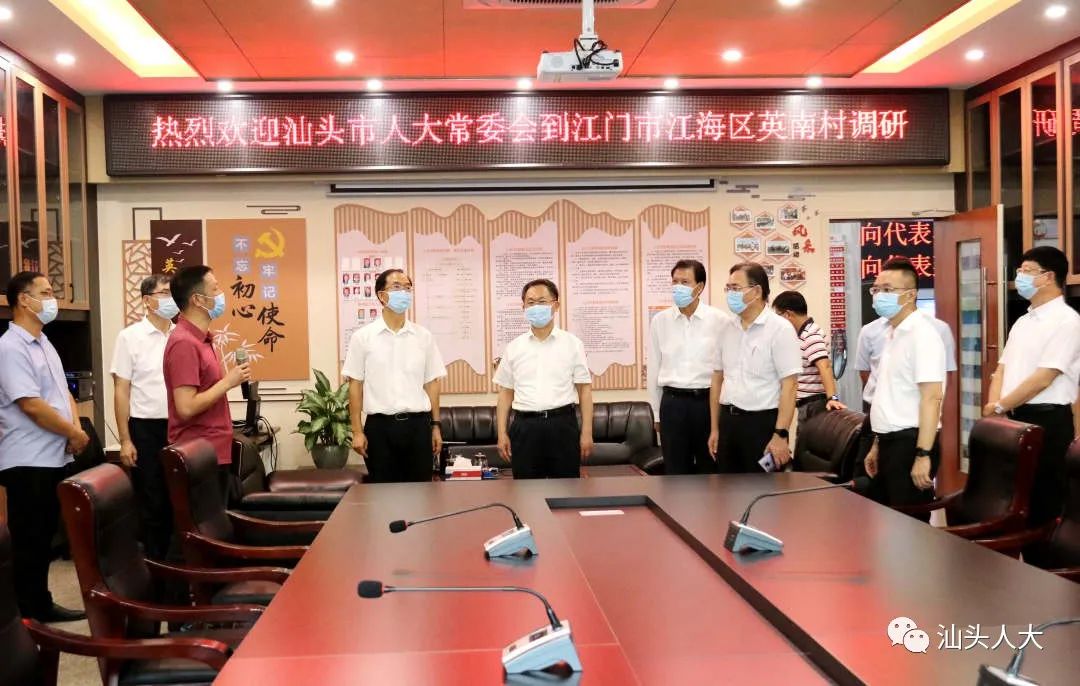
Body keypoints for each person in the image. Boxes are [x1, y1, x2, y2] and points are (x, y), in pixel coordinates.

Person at [0, 272, 88, 622]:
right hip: (27, 458)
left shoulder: (44, 342)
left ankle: (40, 602)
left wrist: (75, 429)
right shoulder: (10, 347)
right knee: (29, 539)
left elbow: (63, 392)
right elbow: (31, 404)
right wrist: (73, 433)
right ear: (24, 300)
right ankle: (28, 613)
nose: (53, 299)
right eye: (47, 292)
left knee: (44, 536)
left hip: (52, 455)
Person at [984, 246, 1080, 526]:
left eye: (1027, 271)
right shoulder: (1023, 321)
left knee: (1044, 502)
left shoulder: (1067, 321)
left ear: (1048, 277)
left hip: (1047, 420)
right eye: (1020, 271)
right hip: (1013, 418)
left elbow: (1044, 377)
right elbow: (1002, 368)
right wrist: (995, 408)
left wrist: (1000, 406)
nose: (1020, 277)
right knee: (1013, 499)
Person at [344, 269, 447, 483]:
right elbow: (355, 386)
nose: (404, 293)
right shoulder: (362, 338)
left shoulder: (423, 337)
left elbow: (432, 383)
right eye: (397, 287)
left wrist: (435, 426)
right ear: (382, 296)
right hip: (380, 428)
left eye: (408, 288)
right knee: (383, 493)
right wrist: (357, 431)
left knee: (421, 492)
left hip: (418, 426)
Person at [863, 259, 946, 516]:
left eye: (887, 290)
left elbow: (932, 398)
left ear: (910, 295)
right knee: (887, 522)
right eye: (876, 289)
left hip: (911, 444)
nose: (879, 295)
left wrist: (923, 454)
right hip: (889, 441)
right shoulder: (893, 332)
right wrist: (877, 444)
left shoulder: (922, 335)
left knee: (909, 525)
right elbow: (890, 396)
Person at [163, 265, 249, 500]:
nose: (221, 294)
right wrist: (228, 382)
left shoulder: (202, 339)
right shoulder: (184, 343)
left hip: (213, 451)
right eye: (215, 289)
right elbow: (186, 407)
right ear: (198, 300)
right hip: (198, 455)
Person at [495, 279, 593, 479]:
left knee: (567, 490)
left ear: (556, 305)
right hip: (525, 427)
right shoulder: (514, 347)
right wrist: (501, 433)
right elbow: (505, 394)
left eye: (542, 302)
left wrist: (587, 432)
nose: (536, 307)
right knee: (526, 490)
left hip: (562, 425)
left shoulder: (572, 344)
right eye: (530, 303)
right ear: (523, 307)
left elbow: (584, 390)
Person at [709, 262, 802, 473]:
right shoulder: (726, 328)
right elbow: (717, 379)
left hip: (762, 425)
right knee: (727, 487)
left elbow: (790, 386)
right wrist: (715, 428)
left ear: (757, 291)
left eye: (736, 288)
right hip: (728, 422)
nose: (730, 294)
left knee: (762, 487)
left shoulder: (780, 329)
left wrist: (781, 434)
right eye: (728, 288)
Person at [110, 274, 176, 561]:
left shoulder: (180, 335)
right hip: (146, 429)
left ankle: (179, 567)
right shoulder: (130, 337)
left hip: (180, 427)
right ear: (147, 301)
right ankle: (155, 566)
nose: (171, 299)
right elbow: (121, 390)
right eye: (165, 293)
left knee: (179, 500)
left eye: (173, 293)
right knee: (152, 501)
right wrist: (125, 440)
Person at [647, 260, 730, 475]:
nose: (678, 287)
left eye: (685, 282)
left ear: (699, 287)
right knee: (675, 471)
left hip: (707, 403)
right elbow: (654, 368)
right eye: (675, 282)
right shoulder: (660, 321)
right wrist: (656, 413)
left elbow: (727, 370)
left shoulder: (720, 321)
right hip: (672, 404)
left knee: (710, 467)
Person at [772, 290, 846, 423]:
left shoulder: (811, 334)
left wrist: (832, 398)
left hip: (813, 405)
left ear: (788, 314)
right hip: (807, 405)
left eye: (778, 315)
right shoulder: (802, 334)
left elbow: (824, 366)